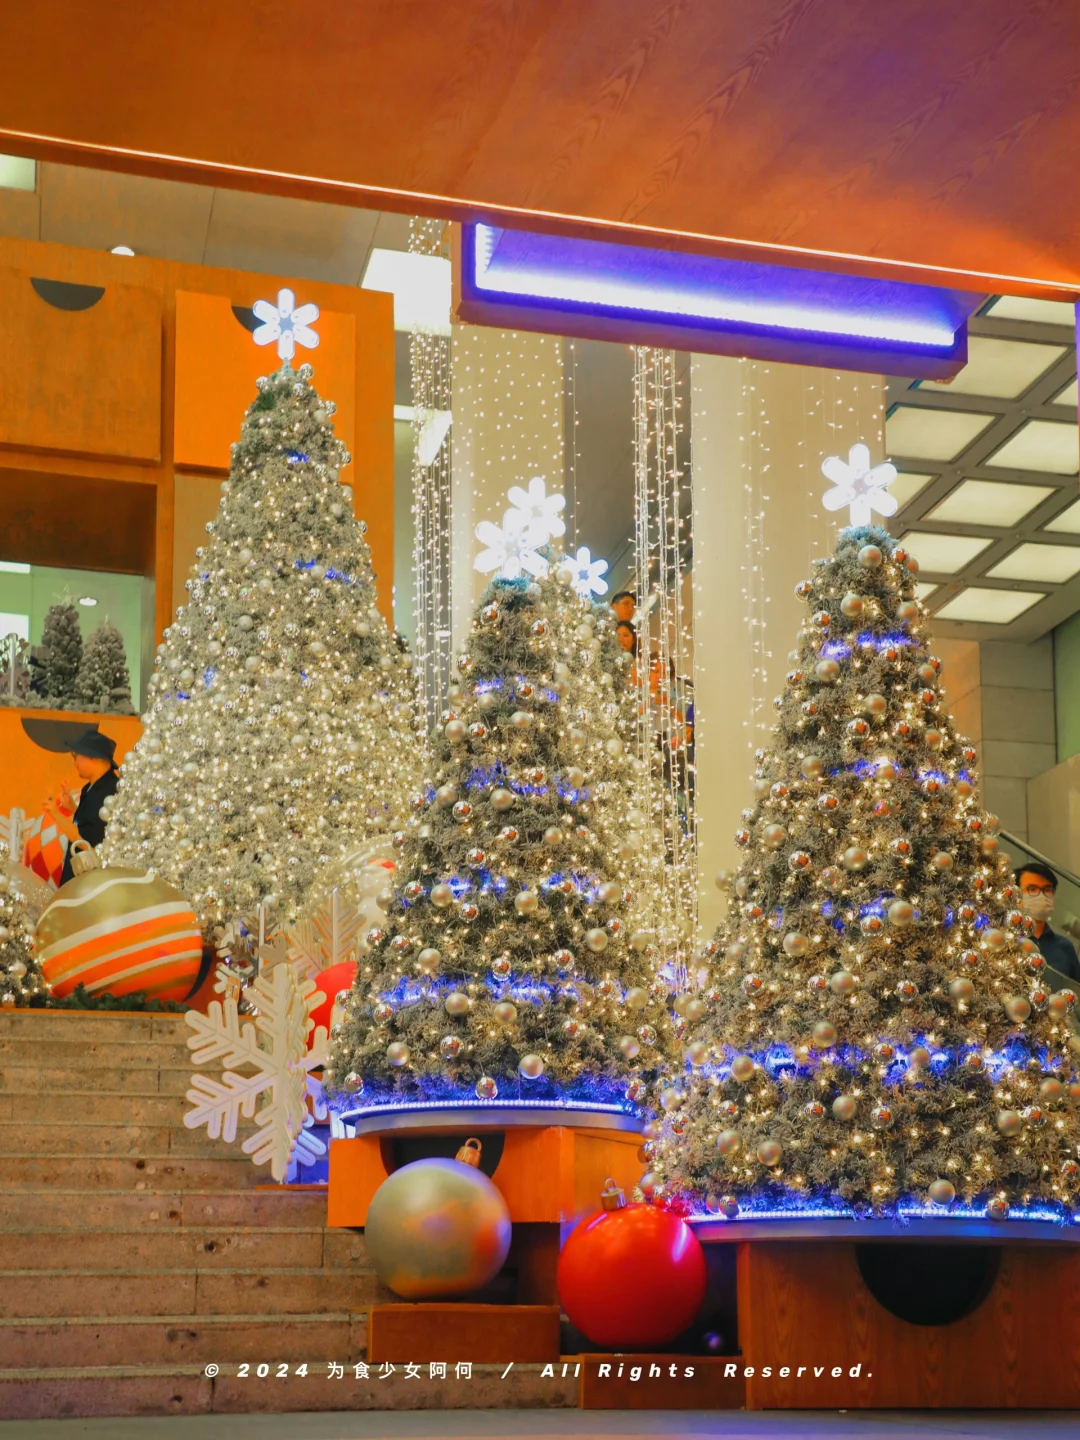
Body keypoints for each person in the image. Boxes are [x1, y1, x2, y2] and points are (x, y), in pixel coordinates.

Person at [42, 728, 120, 885]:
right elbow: (90, 821)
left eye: (76, 756)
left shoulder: (109, 791)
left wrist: (55, 813)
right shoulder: (90, 788)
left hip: (91, 881)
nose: (74, 762)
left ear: (93, 757)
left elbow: (83, 838)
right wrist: (73, 808)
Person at [1015, 861, 1080, 984]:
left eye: (1047, 889)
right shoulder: (1006, 940)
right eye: (1032, 889)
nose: (1041, 896)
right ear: (1017, 894)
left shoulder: (1065, 947)